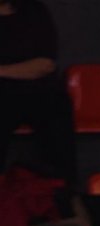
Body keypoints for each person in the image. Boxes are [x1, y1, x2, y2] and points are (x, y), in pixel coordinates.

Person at [0, 0, 77, 185]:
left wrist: (2, 71)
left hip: (40, 92)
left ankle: (62, 192)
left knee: (56, 113)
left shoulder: (34, 10)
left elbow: (45, 64)